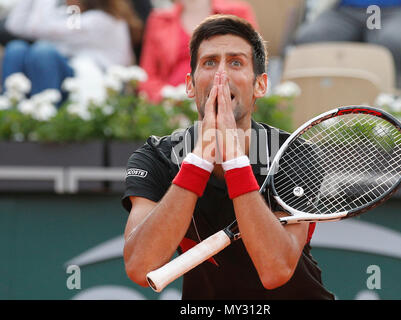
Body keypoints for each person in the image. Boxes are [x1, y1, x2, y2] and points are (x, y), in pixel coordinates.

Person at [122, 14, 335, 300]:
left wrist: (234, 158)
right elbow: (140, 267)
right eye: (209, 63)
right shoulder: (157, 157)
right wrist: (199, 159)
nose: (221, 75)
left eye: (236, 62)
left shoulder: (295, 154)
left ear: (260, 85)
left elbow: (275, 270)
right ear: (190, 84)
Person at [2, 0, 142, 101]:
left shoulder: (100, 20)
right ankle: (9, 109)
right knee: (17, 49)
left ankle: (44, 115)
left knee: (43, 52)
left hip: (97, 88)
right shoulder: (77, 18)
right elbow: (15, 25)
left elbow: (38, 27)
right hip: (77, 78)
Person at [138, 0, 258, 103]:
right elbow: (148, 76)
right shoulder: (159, 19)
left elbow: (252, 65)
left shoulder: (238, 13)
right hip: (173, 108)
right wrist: (167, 99)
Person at [292, 0, 401, 71]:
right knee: (309, 38)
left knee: (389, 42)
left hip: (397, 11)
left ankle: (382, 106)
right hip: (345, 11)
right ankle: (319, 99)